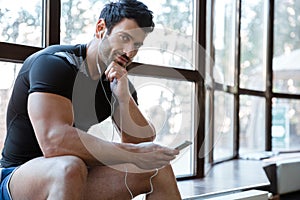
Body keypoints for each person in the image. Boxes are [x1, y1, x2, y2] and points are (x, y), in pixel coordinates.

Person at [0, 0, 182, 199]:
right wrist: (133, 153)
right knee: (69, 166)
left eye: (136, 45)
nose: (129, 52)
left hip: (76, 176)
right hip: (17, 178)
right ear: (101, 28)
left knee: (158, 166)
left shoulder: (116, 81)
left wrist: (123, 97)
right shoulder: (55, 63)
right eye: (124, 38)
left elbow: (142, 143)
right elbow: (54, 143)